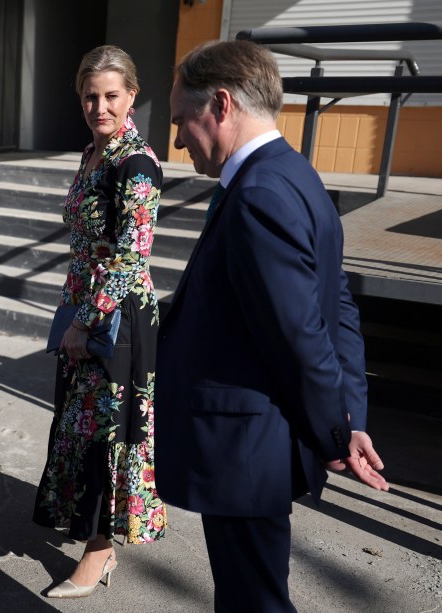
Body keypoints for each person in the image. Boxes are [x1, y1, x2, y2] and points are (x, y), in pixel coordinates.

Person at [156, 39, 389, 612]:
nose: (179, 139)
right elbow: (338, 308)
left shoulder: (259, 193)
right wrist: (349, 414)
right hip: (255, 445)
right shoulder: (296, 174)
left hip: (245, 450)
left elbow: (301, 337)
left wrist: (334, 434)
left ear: (222, 105)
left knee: (252, 601)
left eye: (182, 120)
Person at [32, 45, 166, 599]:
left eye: (111, 95)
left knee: (109, 440)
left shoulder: (137, 163)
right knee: (79, 430)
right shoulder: (92, 154)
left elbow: (132, 258)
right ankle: (87, 529)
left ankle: (101, 552)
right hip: (83, 311)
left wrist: (83, 325)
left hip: (117, 321)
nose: (99, 106)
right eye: (90, 96)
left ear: (132, 95)